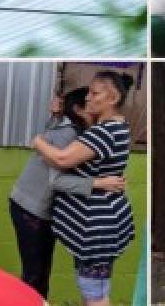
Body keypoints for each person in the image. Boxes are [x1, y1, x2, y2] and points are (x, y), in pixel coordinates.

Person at [10, 88, 124, 299]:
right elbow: (56, 180)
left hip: (41, 208)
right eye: (89, 105)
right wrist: (99, 183)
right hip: (30, 207)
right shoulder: (69, 133)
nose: (95, 110)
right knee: (35, 274)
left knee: (41, 272)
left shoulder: (80, 132)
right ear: (78, 110)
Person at [32, 71, 135, 306]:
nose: (88, 98)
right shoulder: (117, 127)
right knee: (96, 289)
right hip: (104, 222)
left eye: (94, 93)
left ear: (113, 98)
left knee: (94, 294)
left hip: (96, 229)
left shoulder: (104, 133)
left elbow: (61, 160)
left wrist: (38, 142)